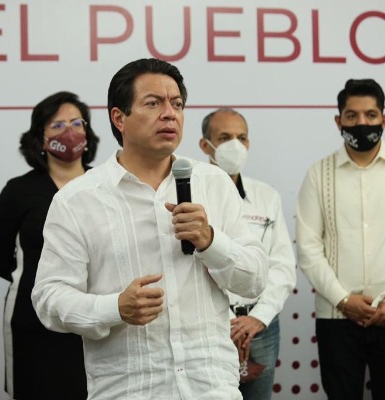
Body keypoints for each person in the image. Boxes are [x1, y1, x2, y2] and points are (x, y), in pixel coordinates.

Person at [31, 58, 268, 400]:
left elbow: (255, 280)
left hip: (211, 389)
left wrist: (210, 241)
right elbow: (49, 299)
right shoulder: (78, 200)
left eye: (177, 104)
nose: (170, 114)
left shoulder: (213, 183)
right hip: (129, 391)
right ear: (119, 118)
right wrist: (115, 308)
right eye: (153, 103)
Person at [296, 79, 385, 400]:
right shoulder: (318, 174)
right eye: (352, 116)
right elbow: (308, 248)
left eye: (370, 115)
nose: (362, 123)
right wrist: (343, 300)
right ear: (339, 121)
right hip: (337, 317)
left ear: (384, 119)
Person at [0, 92, 99, 400]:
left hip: (97, 318)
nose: (69, 132)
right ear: (39, 138)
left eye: (77, 123)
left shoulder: (105, 184)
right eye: (57, 125)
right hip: (34, 321)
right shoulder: (18, 191)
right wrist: (40, 280)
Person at [199, 108, 296, 400]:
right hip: (210, 325)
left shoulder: (267, 196)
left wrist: (258, 318)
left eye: (241, 138)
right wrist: (229, 321)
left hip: (261, 327)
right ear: (205, 145)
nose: (235, 145)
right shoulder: (189, 196)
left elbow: (281, 266)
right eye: (224, 137)